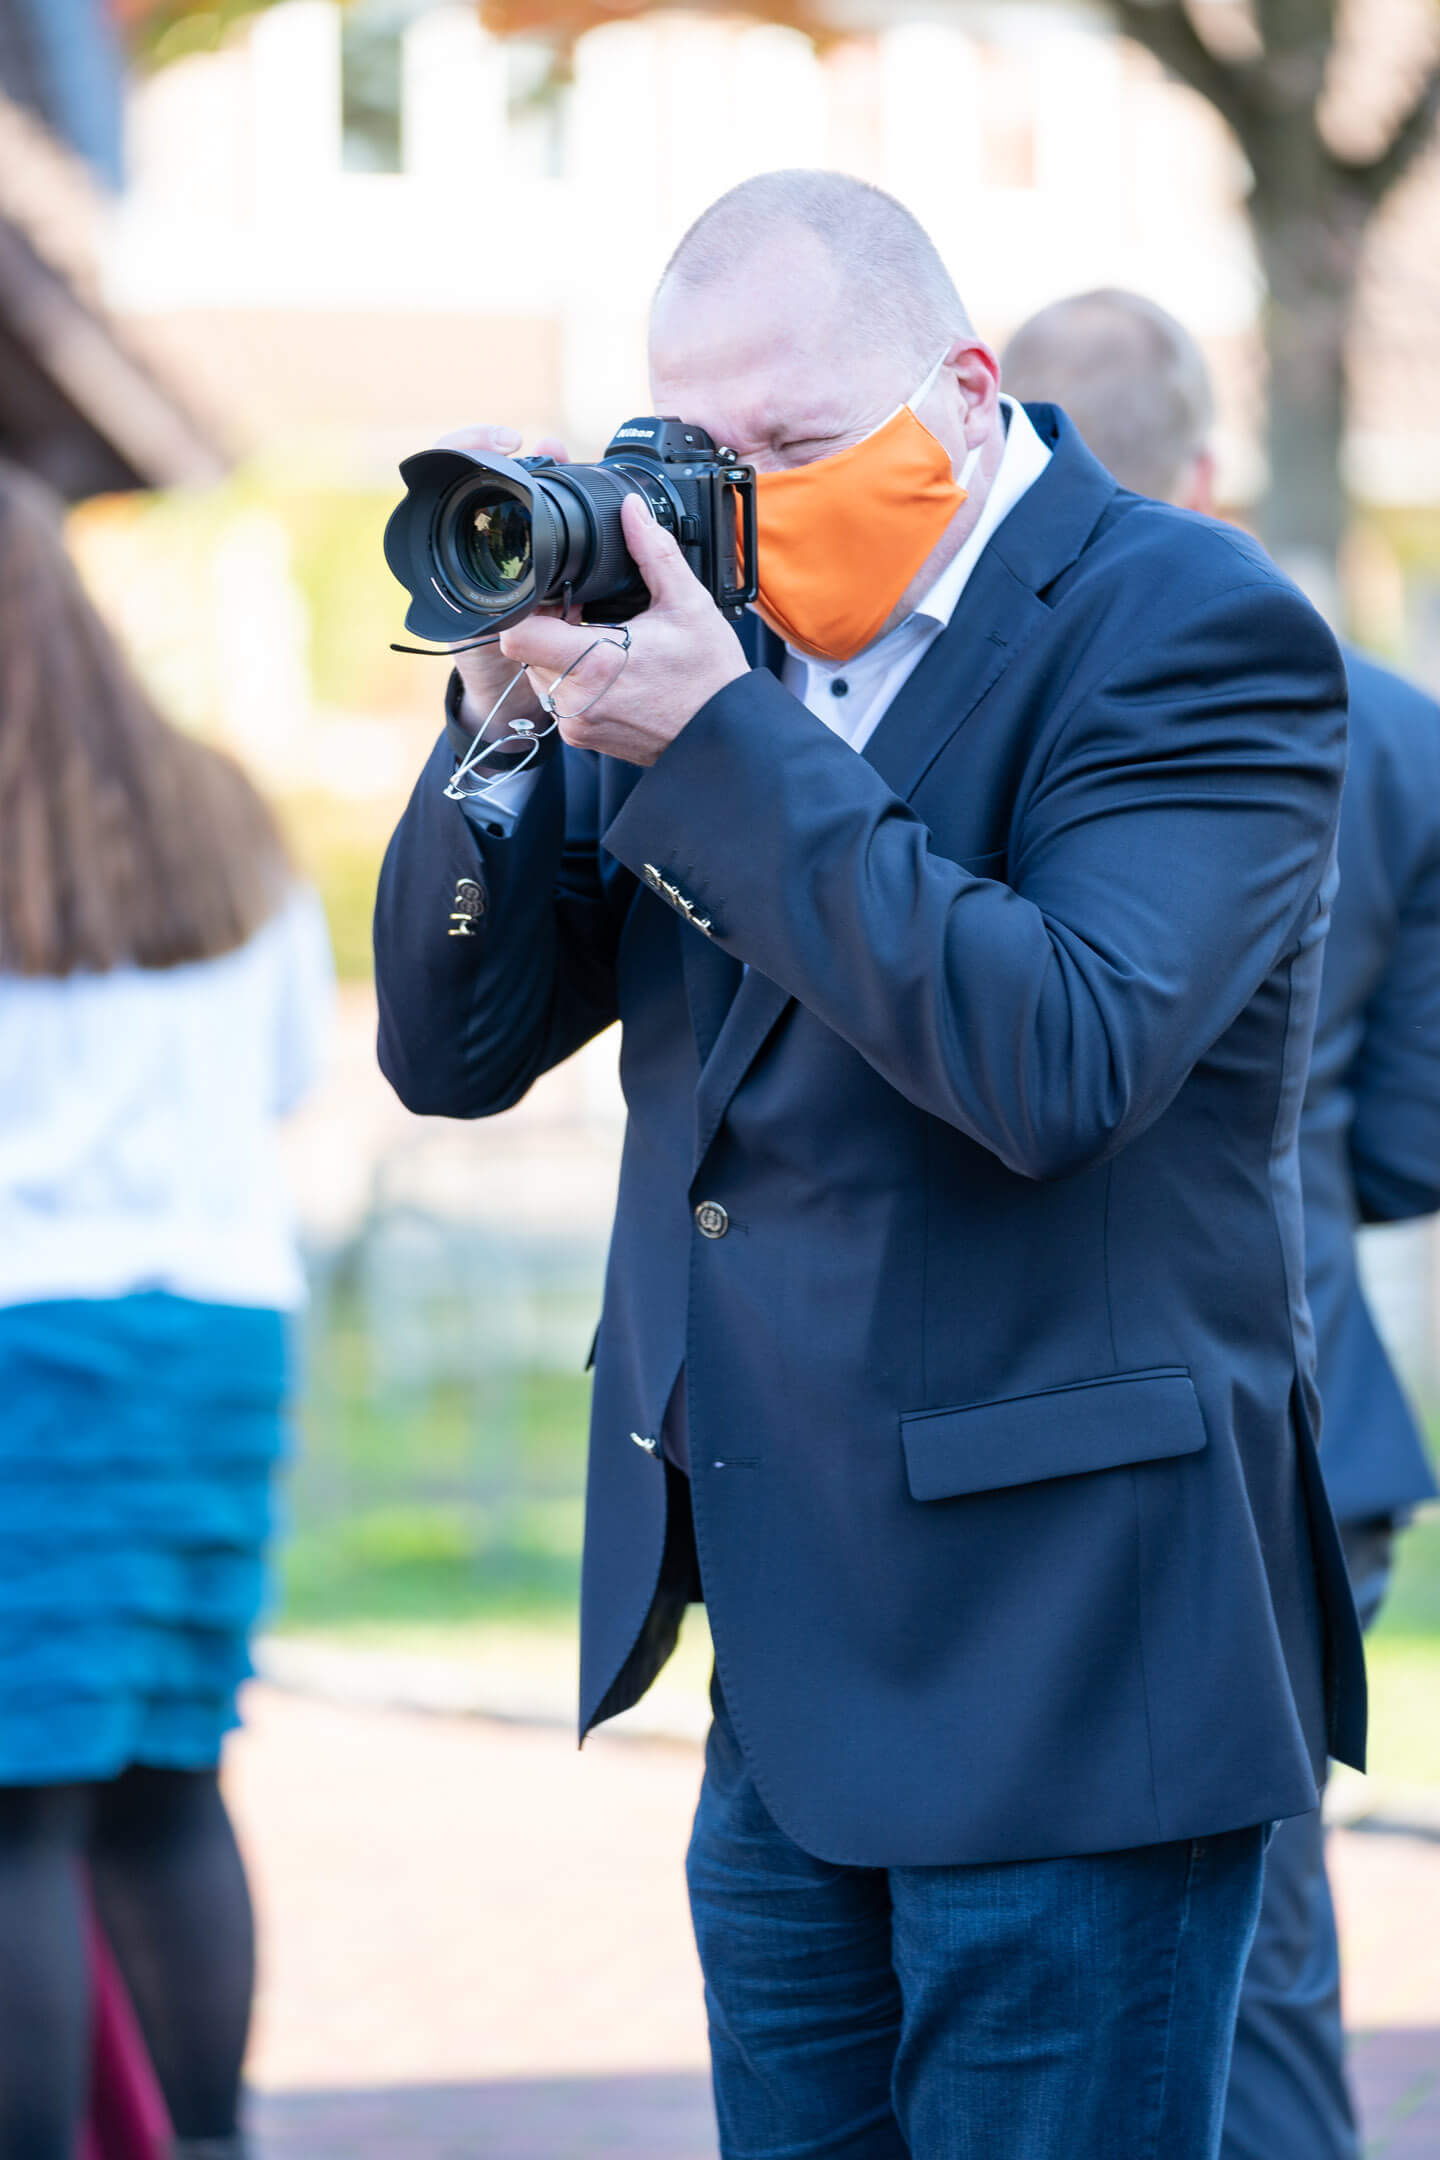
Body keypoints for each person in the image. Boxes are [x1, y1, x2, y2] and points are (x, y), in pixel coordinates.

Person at [374, 170, 1364, 2160]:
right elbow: (450, 1053)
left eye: (795, 444)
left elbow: (1064, 1054)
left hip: (1072, 1658)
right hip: (787, 1646)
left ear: (968, 393)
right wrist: (498, 725)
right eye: (690, 448)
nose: (733, 496)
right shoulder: (688, 642)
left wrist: (725, 747)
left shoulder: (1189, 627)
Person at [1004, 286, 1440, 2160]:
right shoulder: (1399, 730)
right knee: (1255, 1937)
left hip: (1027, 1403)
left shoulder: (964, 701)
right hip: (1312, 1387)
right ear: (1204, 466)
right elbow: (1415, 1143)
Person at [0, 462, 333, 2160]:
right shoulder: (222, 815)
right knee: (165, 1787)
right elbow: (285, 1072)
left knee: (14, 1825)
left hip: (23, 1353)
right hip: (214, 1342)